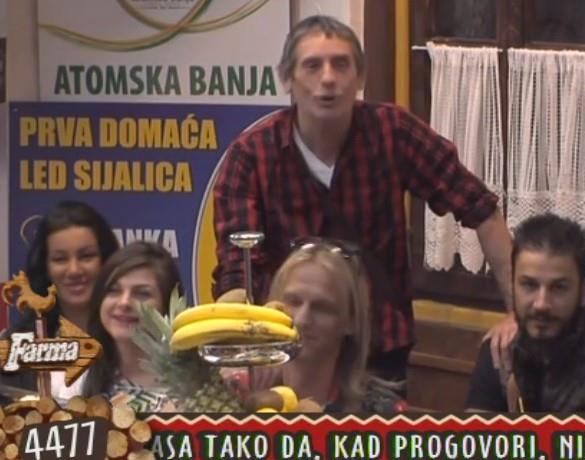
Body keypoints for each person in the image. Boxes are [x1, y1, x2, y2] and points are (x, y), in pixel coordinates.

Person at [213, 14, 515, 380]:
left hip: (378, 347)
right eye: (312, 66)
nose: (328, 79)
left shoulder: (392, 132)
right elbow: (238, 267)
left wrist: (517, 314)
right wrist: (237, 353)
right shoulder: (253, 154)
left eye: (341, 65)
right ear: (288, 79)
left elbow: (482, 209)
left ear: (360, 78)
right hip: (287, 349)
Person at [466, 213, 585, 412]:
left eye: (558, 288)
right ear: (512, 286)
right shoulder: (501, 347)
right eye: (529, 285)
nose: (541, 304)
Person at [244, 238, 407, 412]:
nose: (301, 319)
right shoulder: (237, 392)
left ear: (351, 321)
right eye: (293, 301)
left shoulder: (384, 412)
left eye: (321, 308)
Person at [0, 200, 119, 402]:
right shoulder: (14, 346)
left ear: (105, 261)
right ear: (46, 267)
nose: (74, 270)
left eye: (86, 256)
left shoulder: (128, 345)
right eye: (60, 259)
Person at [82, 241, 181, 412]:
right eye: (114, 290)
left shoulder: (193, 391)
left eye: (142, 293)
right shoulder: (77, 382)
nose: (124, 302)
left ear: (166, 306)